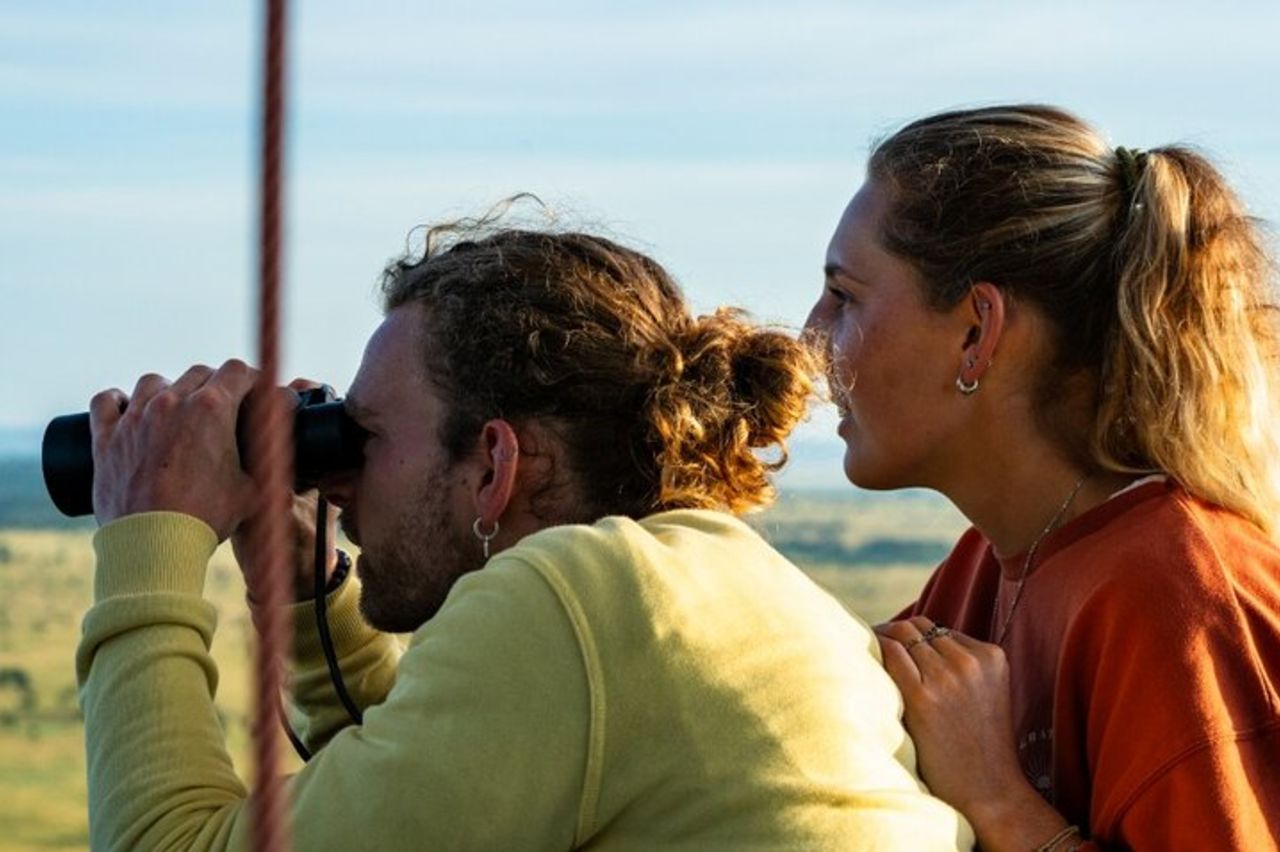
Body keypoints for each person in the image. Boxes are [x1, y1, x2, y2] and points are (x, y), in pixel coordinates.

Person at [76, 216, 973, 850]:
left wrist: (149, 533)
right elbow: (439, 791)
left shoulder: (576, 592)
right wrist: (310, 594)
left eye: (369, 439)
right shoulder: (708, 589)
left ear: (496, 465)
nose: (340, 477)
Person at [804, 104, 1280, 851]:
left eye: (844, 296)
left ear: (976, 331)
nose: (811, 333)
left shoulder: (1177, 592)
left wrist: (998, 798)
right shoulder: (979, 569)